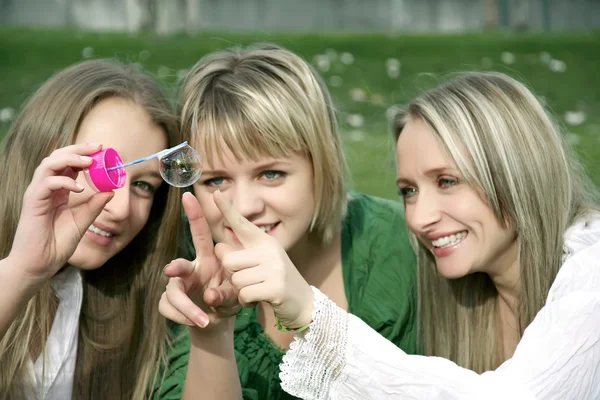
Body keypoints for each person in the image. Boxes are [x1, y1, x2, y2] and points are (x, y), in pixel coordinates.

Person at [207, 71, 600, 399]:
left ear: (520, 173)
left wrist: (312, 312)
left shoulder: (591, 268)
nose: (420, 218)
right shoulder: (462, 295)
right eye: (409, 191)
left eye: (447, 181)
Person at [156, 43, 418, 399]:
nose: (245, 206)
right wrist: (211, 332)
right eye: (216, 181)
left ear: (320, 164)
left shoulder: (402, 246)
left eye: (271, 174)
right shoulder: (195, 279)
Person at [0, 59, 186, 399]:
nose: (120, 208)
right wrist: (22, 271)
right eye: (102, 170)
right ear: (40, 154)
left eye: (144, 186)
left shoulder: (137, 310)